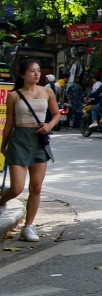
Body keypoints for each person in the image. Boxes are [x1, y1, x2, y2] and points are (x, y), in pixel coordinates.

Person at [0, 58, 60, 242]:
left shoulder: (47, 92)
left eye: (39, 71)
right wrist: (3, 147)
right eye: (32, 71)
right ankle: (2, 200)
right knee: (17, 187)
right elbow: (9, 123)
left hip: (39, 141)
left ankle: (28, 227)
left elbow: (56, 114)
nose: (37, 74)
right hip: (19, 141)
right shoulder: (14, 96)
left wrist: (48, 126)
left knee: (36, 187)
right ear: (23, 74)